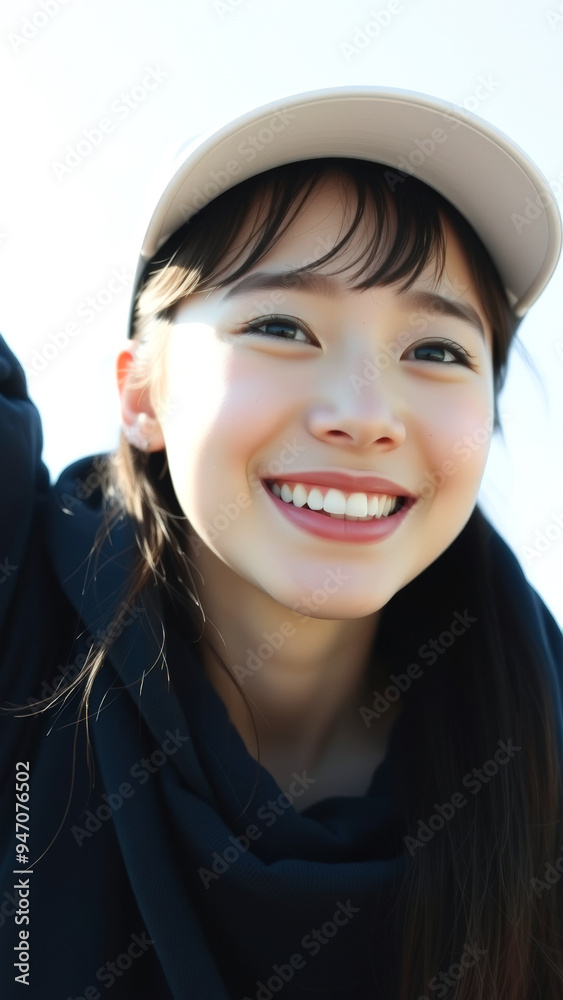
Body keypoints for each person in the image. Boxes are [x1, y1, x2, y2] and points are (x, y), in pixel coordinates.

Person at [0, 86, 562, 1000]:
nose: (363, 415)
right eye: (279, 327)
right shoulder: (25, 606)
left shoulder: (536, 737)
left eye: (436, 351)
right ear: (141, 393)